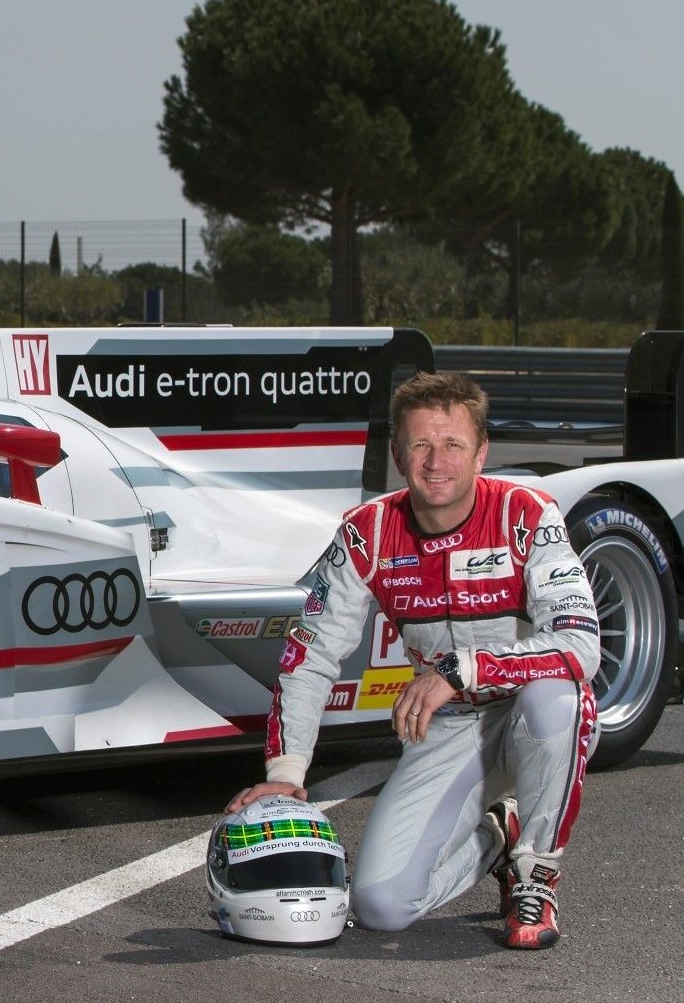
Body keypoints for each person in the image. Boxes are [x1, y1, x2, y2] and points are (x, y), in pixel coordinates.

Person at [226, 371, 601, 949]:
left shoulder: (527, 513)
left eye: (453, 444)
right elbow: (310, 655)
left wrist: (460, 669)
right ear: (398, 455)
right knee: (382, 905)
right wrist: (286, 774)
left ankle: (536, 875)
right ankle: (500, 838)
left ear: (481, 454)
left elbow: (580, 646)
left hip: (530, 713)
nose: (436, 461)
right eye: (420, 445)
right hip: (450, 728)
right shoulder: (368, 532)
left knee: (557, 694)